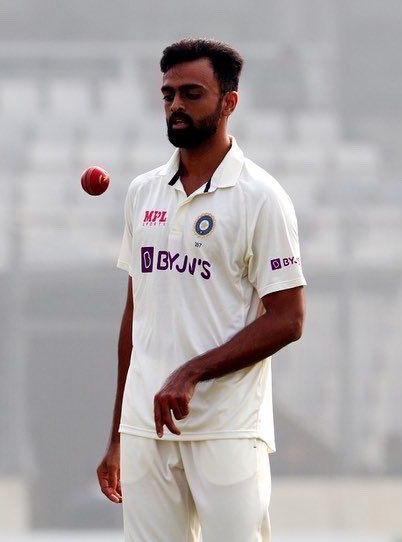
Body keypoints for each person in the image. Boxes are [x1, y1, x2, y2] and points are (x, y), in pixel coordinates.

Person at [95, 38, 306, 542]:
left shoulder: (261, 198)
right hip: (147, 428)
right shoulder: (143, 191)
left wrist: (192, 373)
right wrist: (118, 434)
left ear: (229, 102)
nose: (176, 107)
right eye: (168, 95)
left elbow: (289, 318)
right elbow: (135, 316)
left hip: (228, 427)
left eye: (192, 93)